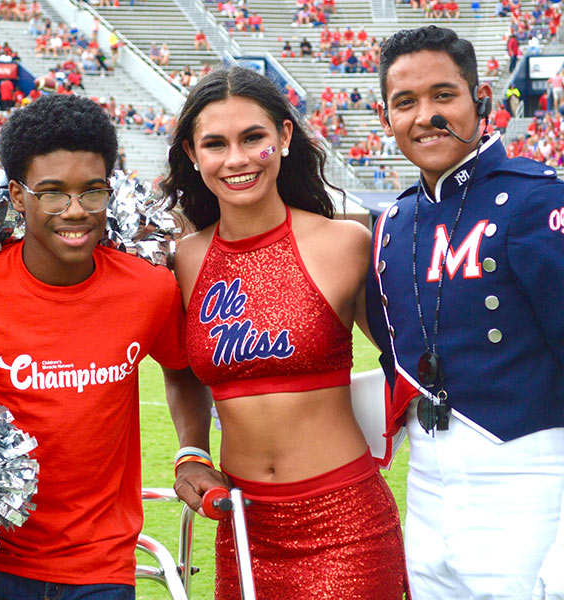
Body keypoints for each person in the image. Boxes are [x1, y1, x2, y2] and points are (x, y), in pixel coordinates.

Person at [0, 93, 206, 600]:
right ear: (17, 194)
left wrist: (191, 450)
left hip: (101, 569)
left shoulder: (149, 290)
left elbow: (182, 368)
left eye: (92, 191)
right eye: (52, 193)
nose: (75, 212)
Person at [160, 66, 407, 599]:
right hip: (243, 527)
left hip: (346, 524)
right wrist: (192, 452)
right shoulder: (182, 260)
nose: (237, 159)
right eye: (215, 143)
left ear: (285, 137)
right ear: (192, 153)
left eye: (254, 137)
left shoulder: (345, 243)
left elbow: (406, 360)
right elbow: (180, 373)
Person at [371, 25, 564, 599]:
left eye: (443, 95)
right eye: (405, 102)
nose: (425, 115)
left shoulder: (538, 199)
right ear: (386, 119)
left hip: (530, 488)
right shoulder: (393, 224)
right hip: (427, 496)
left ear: (480, 103)